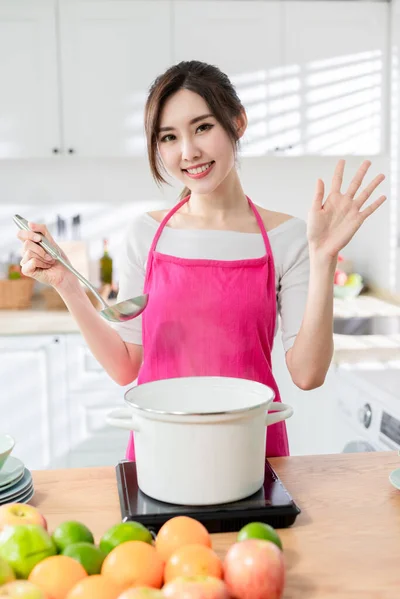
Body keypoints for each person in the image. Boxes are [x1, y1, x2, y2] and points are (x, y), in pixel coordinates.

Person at [17, 60, 386, 460]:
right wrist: (68, 285)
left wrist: (324, 257)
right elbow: (126, 366)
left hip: (251, 450)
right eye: (169, 137)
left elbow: (308, 374)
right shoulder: (146, 235)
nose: (188, 152)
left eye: (203, 127)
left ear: (237, 123)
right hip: (161, 448)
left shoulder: (289, 238)